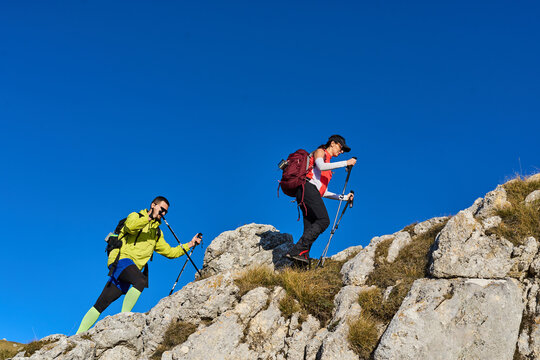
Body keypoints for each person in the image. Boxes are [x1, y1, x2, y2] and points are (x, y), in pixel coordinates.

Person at [76, 196, 201, 334]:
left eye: (166, 212)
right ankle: (123, 319)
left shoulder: (157, 233)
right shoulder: (136, 216)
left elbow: (170, 252)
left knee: (101, 303)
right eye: (162, 209)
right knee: (141, 280)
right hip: (121, 260)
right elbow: (130, 227)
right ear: (153, 205)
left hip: (131, 270)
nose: (163, 214)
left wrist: (190, 244)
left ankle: (77, 336)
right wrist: (149, 218)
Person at [286, 135, 356, 263]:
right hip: (306, 188)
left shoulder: (328, 165)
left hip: (308, 192)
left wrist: (344, 198)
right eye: (341, 148)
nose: (341, 152)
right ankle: (297, 250)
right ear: (333, 143)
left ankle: (300, 262)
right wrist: (346, 163)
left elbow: (323, 192)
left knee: (310, 228)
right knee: (324, 220)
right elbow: (321, 166)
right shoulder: (320, 152)